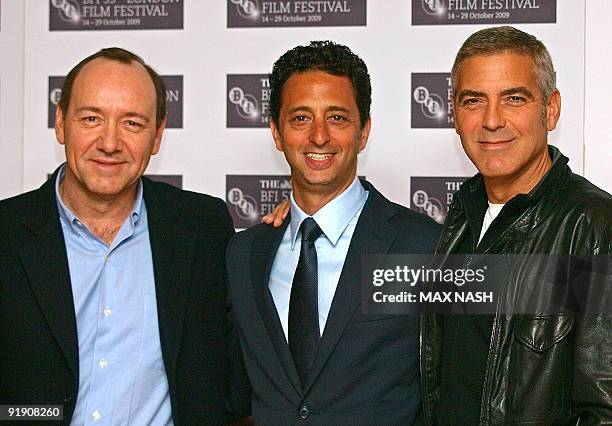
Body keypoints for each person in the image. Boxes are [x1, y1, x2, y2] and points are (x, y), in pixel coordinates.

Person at [0, 48, 249, 424]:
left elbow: (235, 377)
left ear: (158, 135)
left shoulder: (203, 227)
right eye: (91, 118)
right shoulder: (6, 233)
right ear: (61, 123)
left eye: (132, 123)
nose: (110, 143)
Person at [226, 40, 441, 424]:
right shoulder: (244, 255)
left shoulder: (423, 246)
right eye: (301, 118)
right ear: (276, 132)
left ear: (364, 132)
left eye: (337, 118)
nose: (319, 136)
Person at [420, 26, 612, 424]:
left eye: (513, 99)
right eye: (474, 101)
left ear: (551, 109)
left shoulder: (593, 227)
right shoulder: (462, 217)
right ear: (454, 114)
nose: (492, 120)